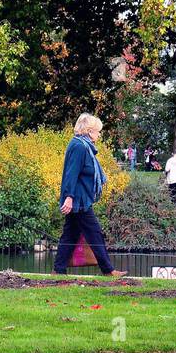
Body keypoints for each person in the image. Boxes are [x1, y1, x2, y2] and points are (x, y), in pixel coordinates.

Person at [53, 113, 122, 277]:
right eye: (97, 131)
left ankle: (58, 270)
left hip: (79, 198)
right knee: (95, 233)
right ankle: (108, 270)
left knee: (70, 234)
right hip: (79, 200)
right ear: (90, 131)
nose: (99, 134)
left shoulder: (82, 145)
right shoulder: (80, 147)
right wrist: (69, 197)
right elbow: (71, 174)